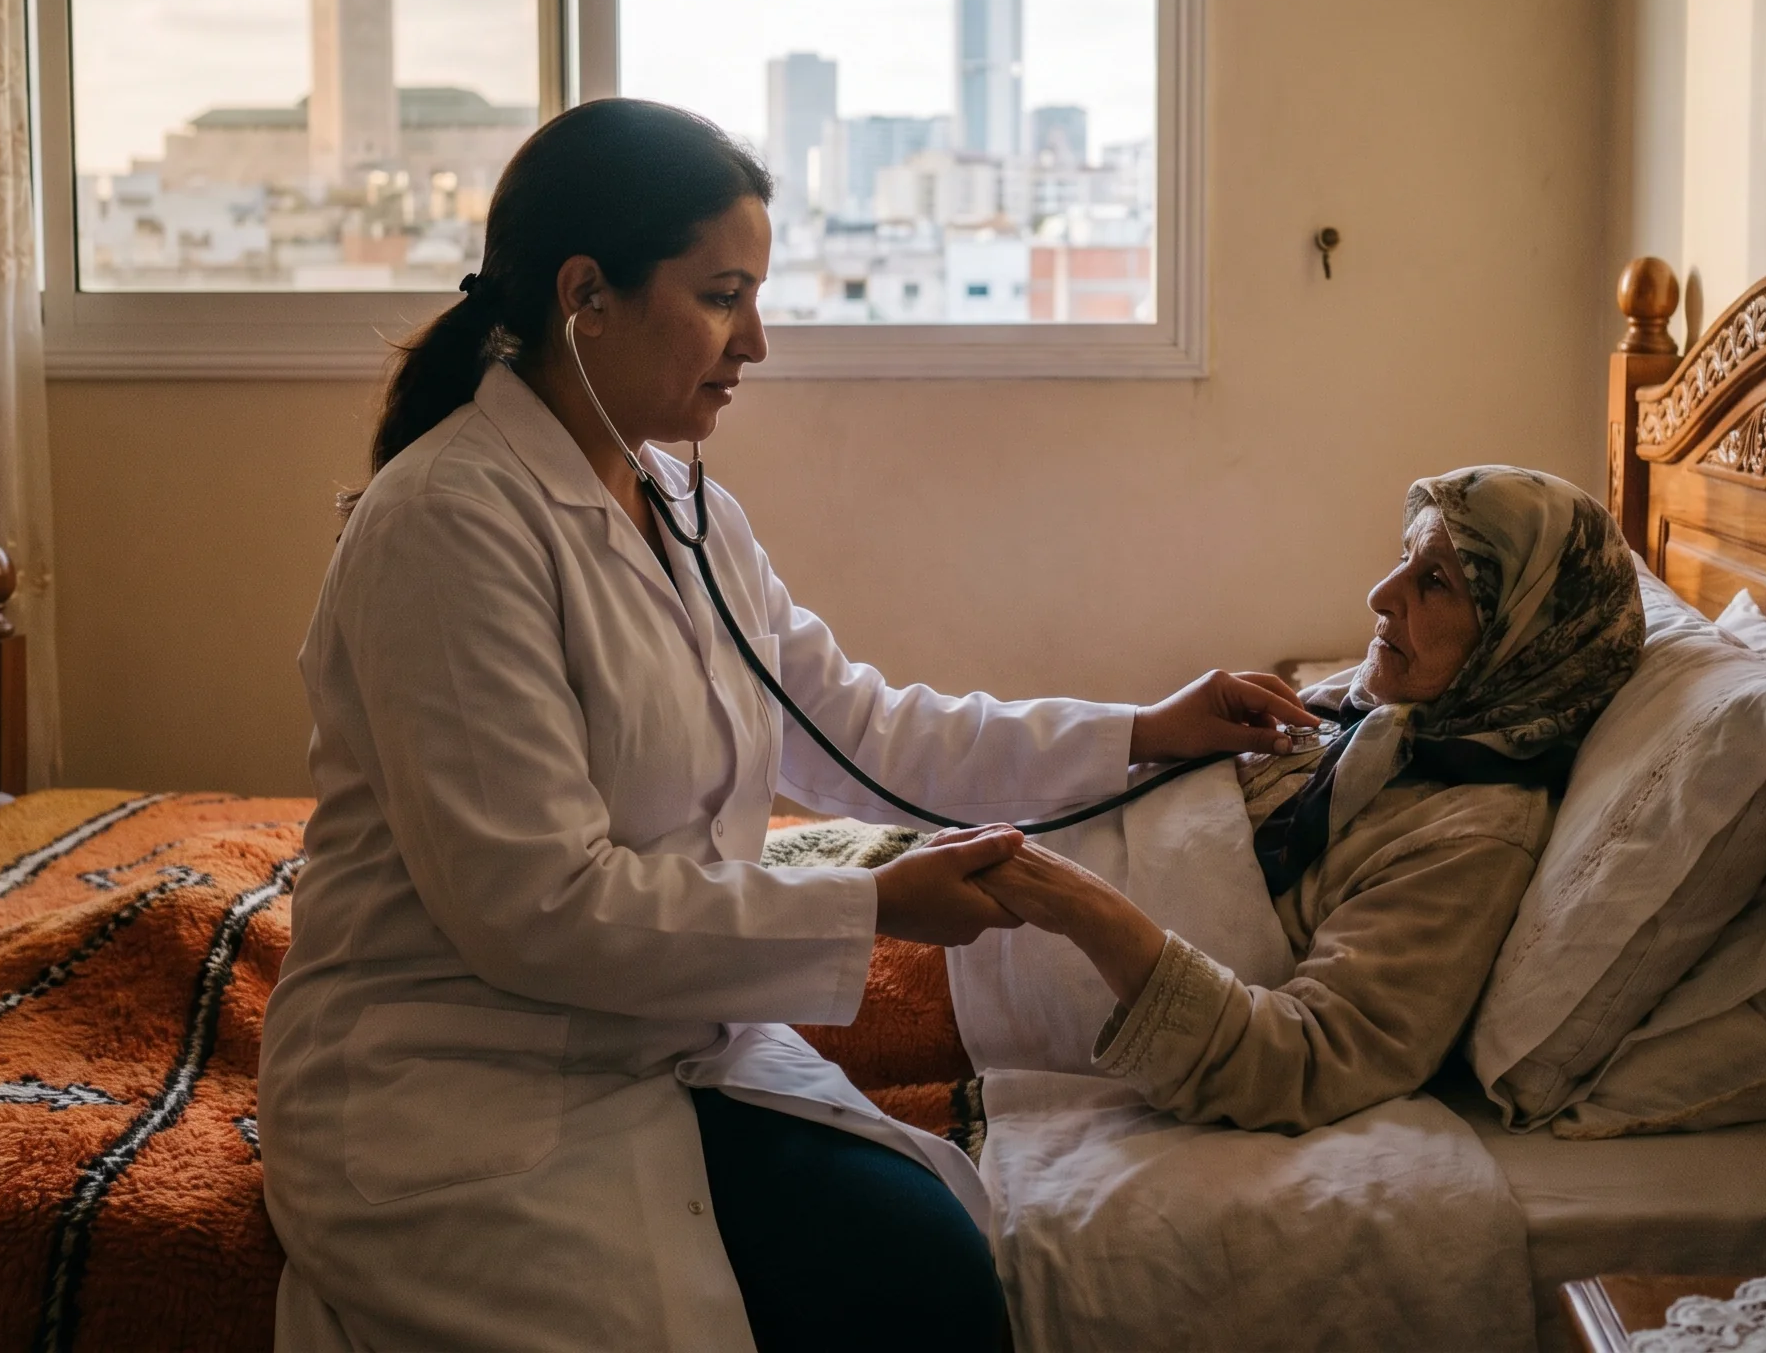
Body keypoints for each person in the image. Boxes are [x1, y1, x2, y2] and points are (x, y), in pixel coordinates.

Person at [256, 98, 1316, 1353]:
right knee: (893, 1288)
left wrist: (1142, 729)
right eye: (721, 295)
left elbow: (860, 726)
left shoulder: (680, 501)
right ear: (585, 293)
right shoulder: (448, 523)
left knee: (930, 1256)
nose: (756, 340)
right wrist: (877, 910)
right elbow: (535, 905)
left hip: (660, 1040)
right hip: (470, 1072)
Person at [967, 467, 1647, 1133]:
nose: (1381, 595)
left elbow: (1312, 1060)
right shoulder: (1378, 708)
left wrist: (1084, 907)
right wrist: (1154, 731)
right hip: (984, 892)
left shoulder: (1471, 836)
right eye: (1404, 559)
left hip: (990, 969)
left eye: (1434, 582)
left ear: (1522, 641)